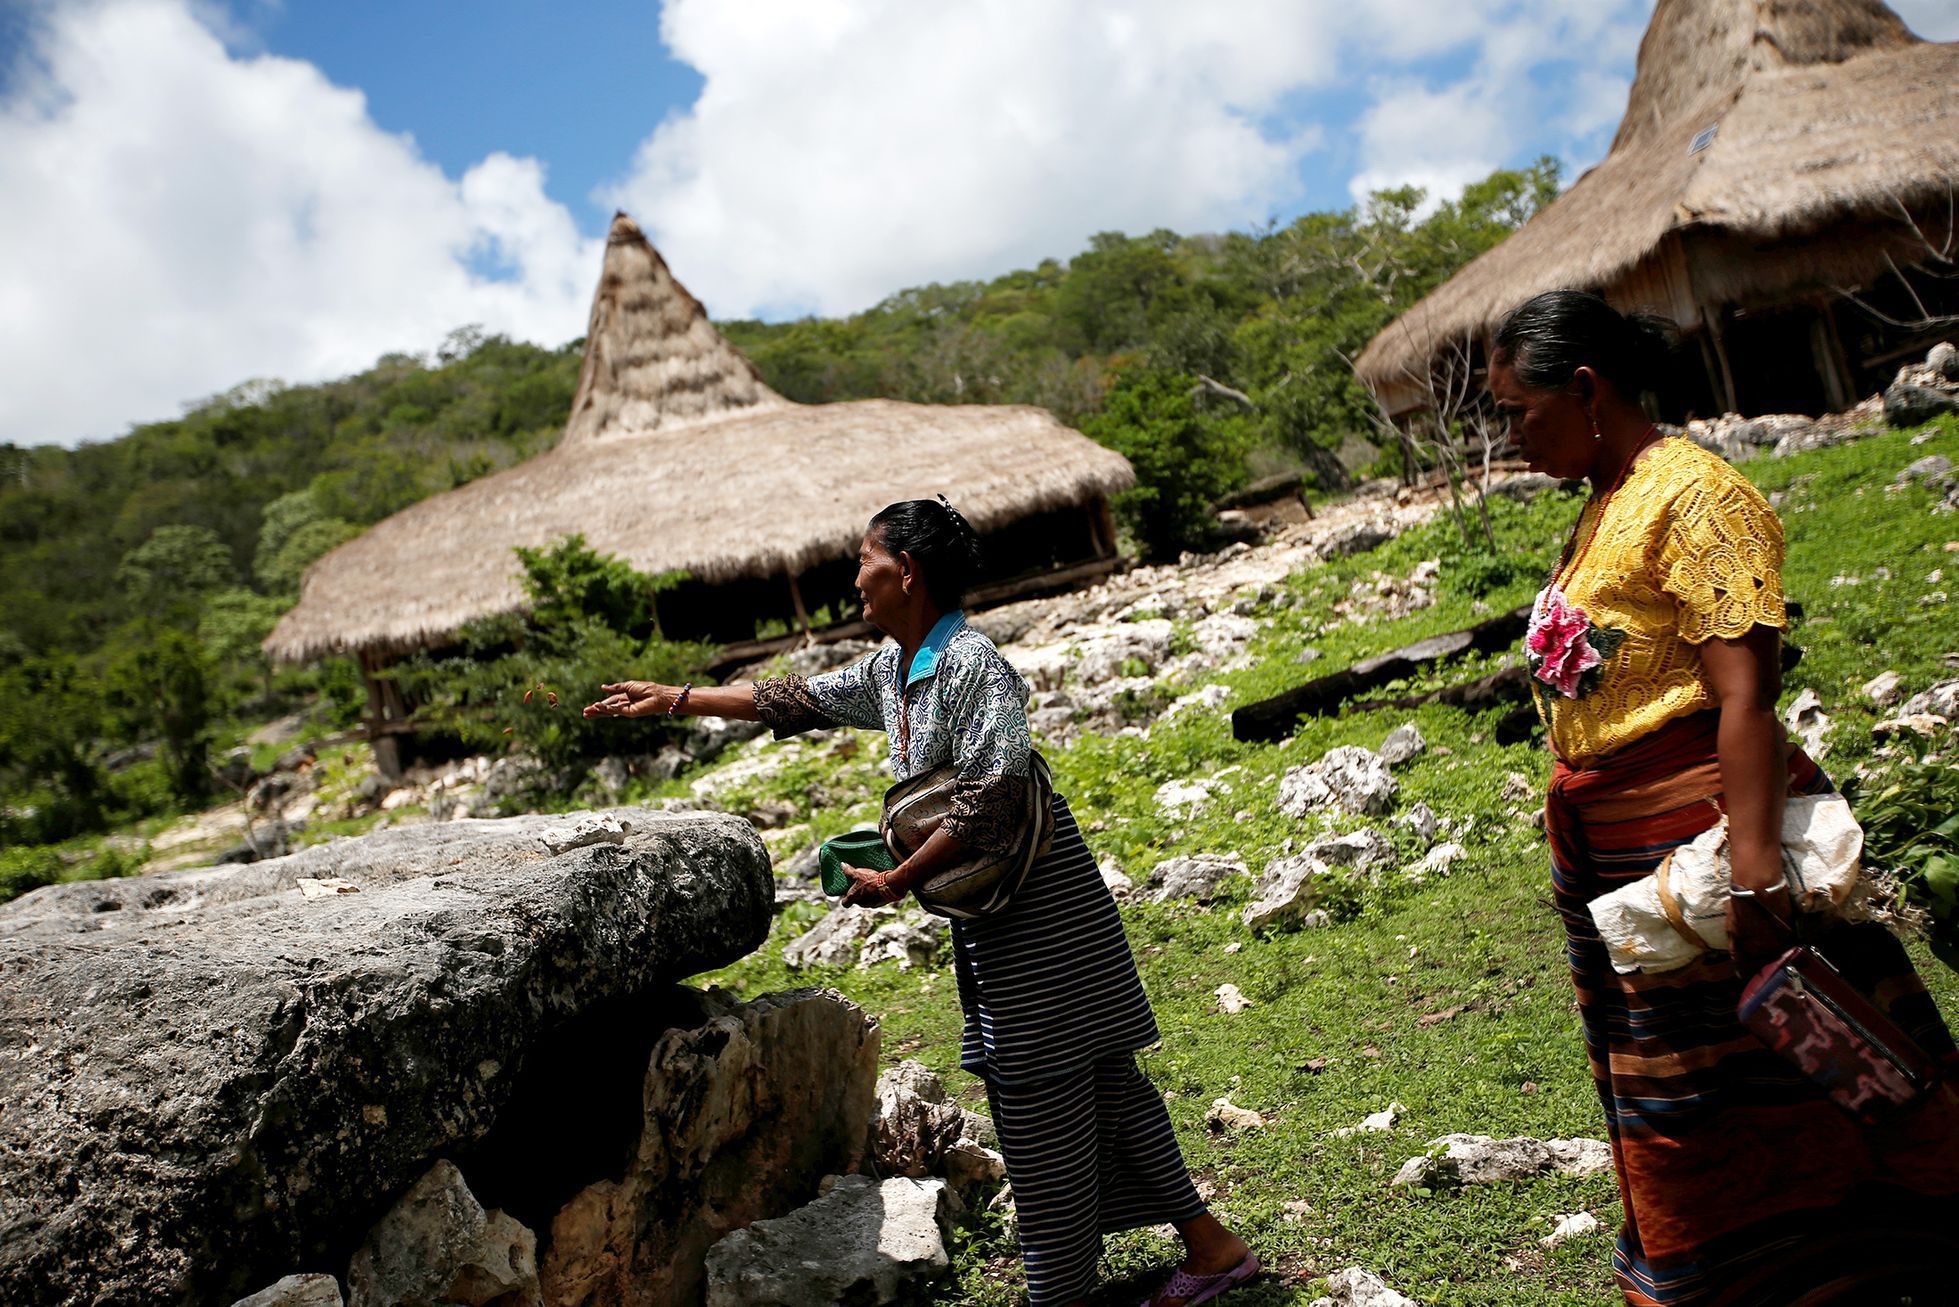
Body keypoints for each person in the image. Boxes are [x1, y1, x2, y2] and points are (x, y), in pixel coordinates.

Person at [586, 497, 1256, 1307]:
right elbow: (793, 698)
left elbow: (994, 799)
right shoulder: (892, 672)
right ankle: (1212, 1250)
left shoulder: (973, 662)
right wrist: (679, 697)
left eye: (863, 560)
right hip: (994, 910)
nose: (853, 577)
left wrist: (898, 880)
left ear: (904, 571)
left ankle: (1060, 1293)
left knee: (1038, 1103)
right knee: (1104, 1086)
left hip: (1041, 909)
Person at [1490, 289, 1959, 1306]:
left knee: (1785, 1058)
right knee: (1686, 1090)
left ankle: (1865, 1261)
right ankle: (1735, 1272)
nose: (1511, 438)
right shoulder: (1604, 502)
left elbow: (1744, 690)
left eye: (1520, 413)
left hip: (1705, 846)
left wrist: (1754, 882)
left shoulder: (1698, 496)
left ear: (1585, 387)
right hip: (1624, 857)